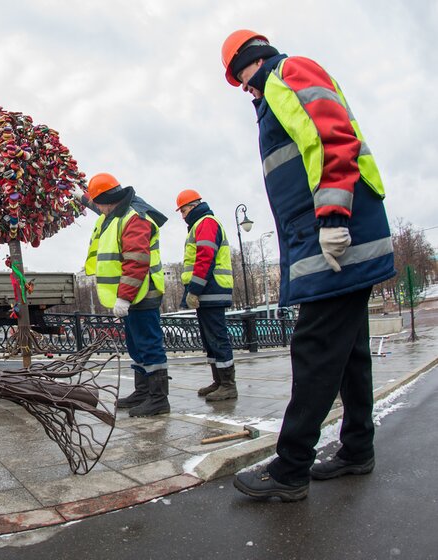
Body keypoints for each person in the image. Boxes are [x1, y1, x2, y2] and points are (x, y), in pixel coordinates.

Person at [221, 30, 395, 501]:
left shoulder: (286, 72)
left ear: (250, 63)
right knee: (351, 348)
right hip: (327, 232)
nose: (245, 91)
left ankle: (291, 466)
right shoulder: (275, 86)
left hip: (334, 232)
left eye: (241, 80)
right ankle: (358, 447)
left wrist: (335, 214)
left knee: (315, 345)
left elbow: (333, 135)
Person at [82, 173, 170, 417]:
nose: (97, 208)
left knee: (149, 346)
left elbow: (136, 260)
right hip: (133, 296)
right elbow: (93, 204)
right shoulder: (115, 212)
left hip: (141, 294)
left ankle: (158, 399)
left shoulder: (134, 218)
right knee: (136, 347)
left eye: (98, 203)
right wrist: (79, 196)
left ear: (108, 200)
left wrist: (124, 297)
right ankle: (143, 393)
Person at [175, 189, 237, 401]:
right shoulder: (200, 224)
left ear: (193, 206)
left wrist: (195, 289)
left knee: (217, 338)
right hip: (208, 291)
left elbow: (205, 258)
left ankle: (228, 385)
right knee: (210, 339)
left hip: (211, 290)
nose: (182, 216)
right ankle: (219, 381)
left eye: (183, 210)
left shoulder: (206, 223)